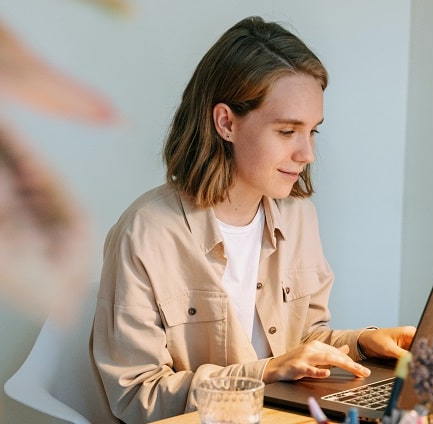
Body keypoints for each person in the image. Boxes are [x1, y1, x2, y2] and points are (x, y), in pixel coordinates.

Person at [90, 15, 415, 423]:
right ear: (226, 122)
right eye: (286, 131)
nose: (307, 153)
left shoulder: (299, 218)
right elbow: (137, 395)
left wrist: (364, 342)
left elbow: (302, 344)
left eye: (313, 131)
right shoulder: (145, 232)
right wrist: (263, 372)